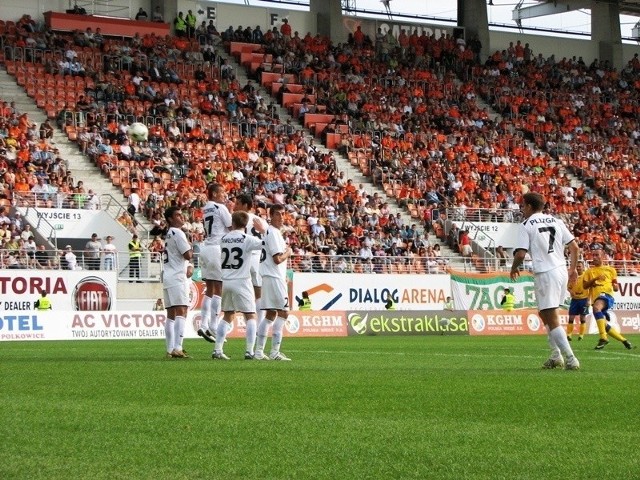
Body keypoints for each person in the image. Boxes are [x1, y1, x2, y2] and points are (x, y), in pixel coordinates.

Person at [510, 192, 580, 370]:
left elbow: (520, 253)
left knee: (551, 315)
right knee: (544, 313)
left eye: (523, 206)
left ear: (529, 207)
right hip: (560, 270)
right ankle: (556, 355)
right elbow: (574, 247)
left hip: (546, 272)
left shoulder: (526, 225)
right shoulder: (556, 221)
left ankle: (570, 358)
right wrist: (572, 270)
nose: (522, 209)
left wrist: (513, 267)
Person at [213, 211, 266, 360]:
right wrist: (263, 231)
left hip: (226, 281)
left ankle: (217, 349)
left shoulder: (224, 238)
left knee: (228, 315)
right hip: (242, 280)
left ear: (233, 223)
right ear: (246, 224)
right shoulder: (247, 239)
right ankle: (249, 351)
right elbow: (265, 244)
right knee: (250, 315)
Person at [254, 204, 293, 361]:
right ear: (270, 216)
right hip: (274, 277)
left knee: (270, 314)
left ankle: (258, 352)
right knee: (284, 312)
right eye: (277, 214)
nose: (281, 217)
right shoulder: (274, 232)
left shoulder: (268, 232)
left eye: (283, 214)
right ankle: (274, 352)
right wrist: (288, 253)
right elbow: (278, 259)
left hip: (268, 276)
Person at [233, 193, 268, 356]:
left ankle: (253, 328)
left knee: (249, 299)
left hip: (246, 259)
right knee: (259, 296)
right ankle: (258, 328)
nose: (236, 206)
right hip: (258, 259)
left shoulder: (240, 220)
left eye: (238, 203)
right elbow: (267, 239)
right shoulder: (260, 221)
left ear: (247, 205)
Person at [197, 183, 232, 343]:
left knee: (209, 289)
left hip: (206, 248)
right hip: (218, 248)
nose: (224, 195)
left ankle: (203, 325)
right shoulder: (220, 208)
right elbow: (232, 227)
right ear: (215, 194)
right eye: (222, 192)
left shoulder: (206, 209)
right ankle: (213, 325)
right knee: (219, 288)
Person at [583, 248, 634, 350]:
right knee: (604, 324)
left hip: (606, 295)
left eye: (597, 255)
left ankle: (603, 338)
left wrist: (615, 287)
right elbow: (585, 286)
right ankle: (624, 340)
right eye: (593, 255)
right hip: (596, 298)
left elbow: (615, 285)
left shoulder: (611, 270)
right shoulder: (589, 272)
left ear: (603, 256)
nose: (594, 257)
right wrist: (595, 279)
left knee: (596, 308)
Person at [163, 206, 193, 359]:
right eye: (178, 215)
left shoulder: (169, 233)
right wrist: (191, 245)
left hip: (168, 275)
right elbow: (187, 255)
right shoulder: (178, 233)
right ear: (170, 219)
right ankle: (178, 347)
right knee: (182, 311)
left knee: (171, 314)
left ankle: (169, 349)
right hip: (177, 276)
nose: (182, 217)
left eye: (182, 214)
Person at [566, 261, 589, 341]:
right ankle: (569, 335)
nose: (578, 268)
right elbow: (568, 287)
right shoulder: (573, 277)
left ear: (583, 267)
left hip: (584, 299)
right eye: (577, 267)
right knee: (571, 317)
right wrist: (570, 291)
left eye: (580, 266)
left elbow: (590, 289)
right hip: (575, 300)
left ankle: (581, 335)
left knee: (582, 318)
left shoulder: (586, 276)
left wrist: (588, 300)